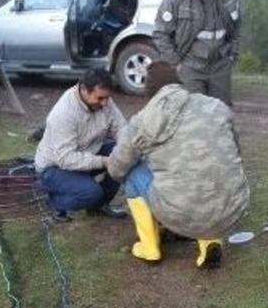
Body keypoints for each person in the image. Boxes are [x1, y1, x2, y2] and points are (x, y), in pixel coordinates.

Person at [107, 62, 250, 269]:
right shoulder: (216, 106)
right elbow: (236, 151)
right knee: (210, 166)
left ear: (151, 91)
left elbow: (116, 169)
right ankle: (210, 242)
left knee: (132, 173)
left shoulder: (143, 120)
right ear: (178, 83)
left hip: (182, 214)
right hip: (233, 210)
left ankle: (149, 247)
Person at [34, 68, 128, 222]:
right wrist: (103, 161)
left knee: (123, 157)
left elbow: (121, 128)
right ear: (84, 89)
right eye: (100, 98)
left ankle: (99, 206)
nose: (105, 103)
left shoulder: (104, 101)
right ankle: (53, 203)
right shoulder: (64, 113)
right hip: (55, 167)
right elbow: (65, 158)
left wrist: (124, 150)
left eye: (107, 98)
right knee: (91, 192)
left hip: (86, 153)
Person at [152, 0, 241, 106]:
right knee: (194, 113)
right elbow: (160, 34)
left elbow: (236, 23)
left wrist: (232, 54)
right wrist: (177, 63)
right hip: (190, 66)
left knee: (221, 112)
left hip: (221, 65)